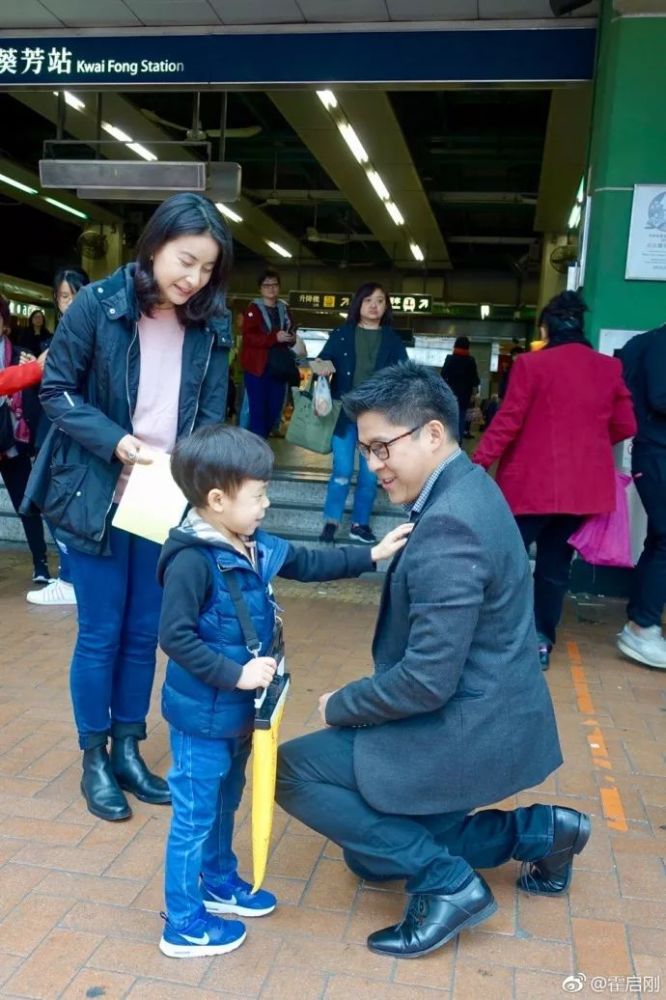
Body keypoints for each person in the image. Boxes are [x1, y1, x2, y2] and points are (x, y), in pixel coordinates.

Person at [276, 361, 588, 960]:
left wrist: (343, 705)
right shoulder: (467, 485)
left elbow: (425, 681)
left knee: (293, 772)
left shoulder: (451, 524)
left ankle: (447, 887)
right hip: (492, 708)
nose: (373, 465)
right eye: (365, 450)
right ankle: (544, 832)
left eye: (381, 447)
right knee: (370, 852)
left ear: (433, 434)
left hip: (466, 726)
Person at [157, 423, 411, 958]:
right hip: (203, 716)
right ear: (218, 499)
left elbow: (309, 563)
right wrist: (235, 674)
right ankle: (182, 923)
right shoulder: (191, 560)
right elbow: (174, 637)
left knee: (226, 802)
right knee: (194, 817)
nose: (267, 504)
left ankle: (218, 881)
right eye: (259, 495)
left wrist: (371, 556)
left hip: (238, 716)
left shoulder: (251, 543)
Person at [25, 193, 233, 823]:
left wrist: (194, 473)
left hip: (161, 495)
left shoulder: (210, 324)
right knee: (101, 631)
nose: (192, 279)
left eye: (205, 271)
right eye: (185, 261)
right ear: (156, 244)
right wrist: (116, 442)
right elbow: (56, 392)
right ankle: (94, 756)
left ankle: (128, 747)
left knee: (146, 631)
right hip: (95, 489)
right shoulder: (98, 305)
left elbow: (214, 414)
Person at [473, 291, 636, 668]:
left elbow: (508, 422)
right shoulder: (608, 369)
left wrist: (477, 463)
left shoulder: (532, 365)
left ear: (546, 328)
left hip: (529, 486)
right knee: (554, 567)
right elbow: (627, 424)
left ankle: (491, 635)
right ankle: (540, 641)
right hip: (580, 492)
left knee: (505, 560)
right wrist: (587, 445)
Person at [311, 282, 408, 545]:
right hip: (344, 416)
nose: (374, 306)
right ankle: (331, 521)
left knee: (370, 473)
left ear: (386, 306)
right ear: (358, 304)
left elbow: (404, 376)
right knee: (342, 470)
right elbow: (321, 361)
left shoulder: (392, 340)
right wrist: (320, 366)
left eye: (379, 301)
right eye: (368, 300)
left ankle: (359, 524)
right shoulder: (342, 334)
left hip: (377, 420)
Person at [26, 267, 90, 607]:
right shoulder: (60, 334)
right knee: (51, 502)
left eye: (75, 294)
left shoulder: (91, 331)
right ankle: (70, 577)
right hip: (53, 428)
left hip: (76, 430)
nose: (70, 302)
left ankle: (70, 579)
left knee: (58, 503)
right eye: (64, 296)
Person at [616, 323, 666, 669]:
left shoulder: (646, 343)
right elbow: (661, 397)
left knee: (660, 538)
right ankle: (641, 627)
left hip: (653, 451)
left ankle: (641, 621)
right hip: (659, 452)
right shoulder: (659, 346)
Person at [0, 296, 51, 583]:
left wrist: (37, 373)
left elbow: (41, 395)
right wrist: (33, 370)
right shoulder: (25, 364)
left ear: (5, 323)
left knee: (27, 504)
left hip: (13, 446)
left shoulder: (19, 353)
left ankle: (40, 562)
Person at [240, 269, 300, 438]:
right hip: (257, 367)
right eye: (267, 285)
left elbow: (291, 329)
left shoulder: (285, 308)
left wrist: (291, 338)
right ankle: (256, 449)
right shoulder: (253, 309)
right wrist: (274, 337)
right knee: (257, 409)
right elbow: (249, 337)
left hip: (279, 367)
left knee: (274, 410)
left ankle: (261, 443)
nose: (271, 289)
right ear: (260, 288)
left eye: (274, 285)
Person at [440, 335, 480, 443]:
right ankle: (457, 443)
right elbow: (475, 380)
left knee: (448, 418)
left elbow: (442, 376)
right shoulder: (470, 361)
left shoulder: (450, 359)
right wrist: (474, 393)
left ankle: (446, 442)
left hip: (449, 395)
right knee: (461, 419)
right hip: (464, 397)